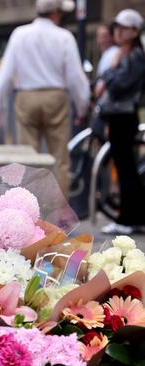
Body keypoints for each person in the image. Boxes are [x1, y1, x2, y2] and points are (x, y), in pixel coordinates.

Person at [0, 0, 90, 198]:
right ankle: (59, 217)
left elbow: (6, 74)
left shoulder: (20, 34)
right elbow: (75, 78)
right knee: (60, 159)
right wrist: (82, 107)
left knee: (27, 158)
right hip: (56, 97)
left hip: (26, 96)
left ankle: (28, 213)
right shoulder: (64, 37)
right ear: (56, 13)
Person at [95, 9, 145, 235]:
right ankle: (130, 218)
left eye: (125, 28)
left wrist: (108, 73)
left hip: (123, 116)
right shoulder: (125, 54)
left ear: (135, 32)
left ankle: (128, 219)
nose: (119, 32)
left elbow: (119, 85)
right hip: (119, 116)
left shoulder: (133, 55)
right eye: (118, 27)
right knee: (126, 169)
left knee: (126, 170)